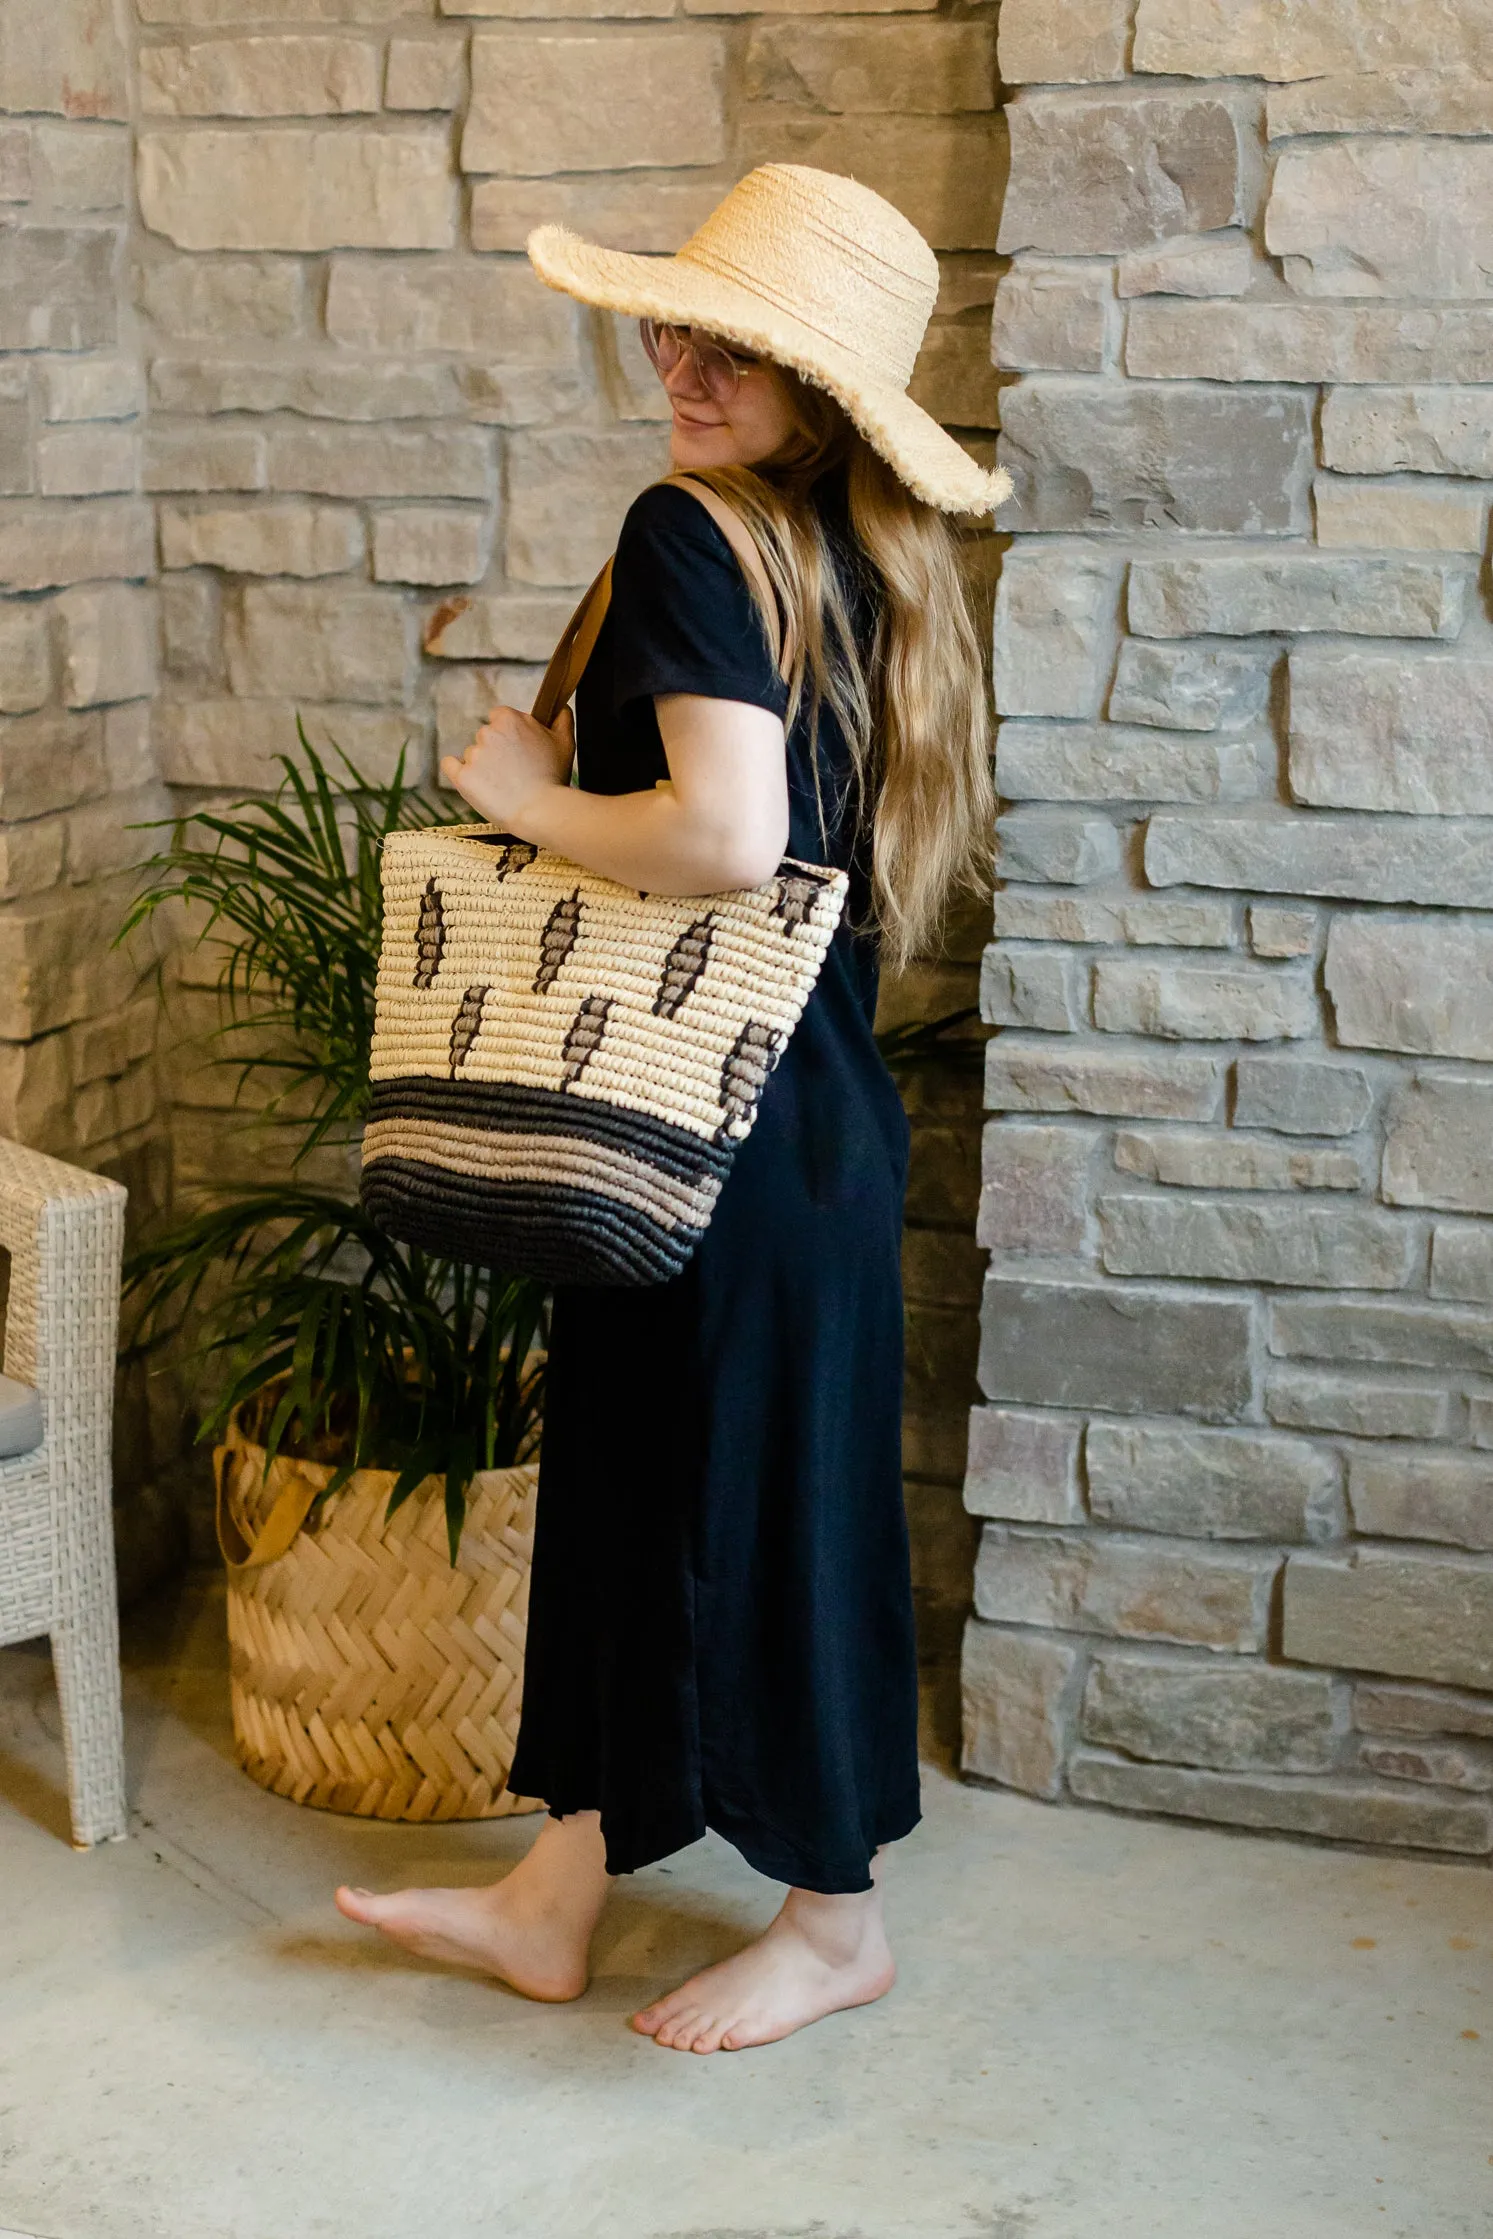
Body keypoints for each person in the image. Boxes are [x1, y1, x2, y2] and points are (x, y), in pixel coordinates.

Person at [336, 164, 1009, 2053]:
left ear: (827, 388)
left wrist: (526, 791)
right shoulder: (863, 568)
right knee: (646, 1489)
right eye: (677, 321)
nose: (683, 359)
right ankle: (561, 1889)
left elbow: (725, 836)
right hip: (787, 1131)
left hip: (705, 1129)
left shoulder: (693, 532)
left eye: (741, 345)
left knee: (761, 1516)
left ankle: (837, 1918)